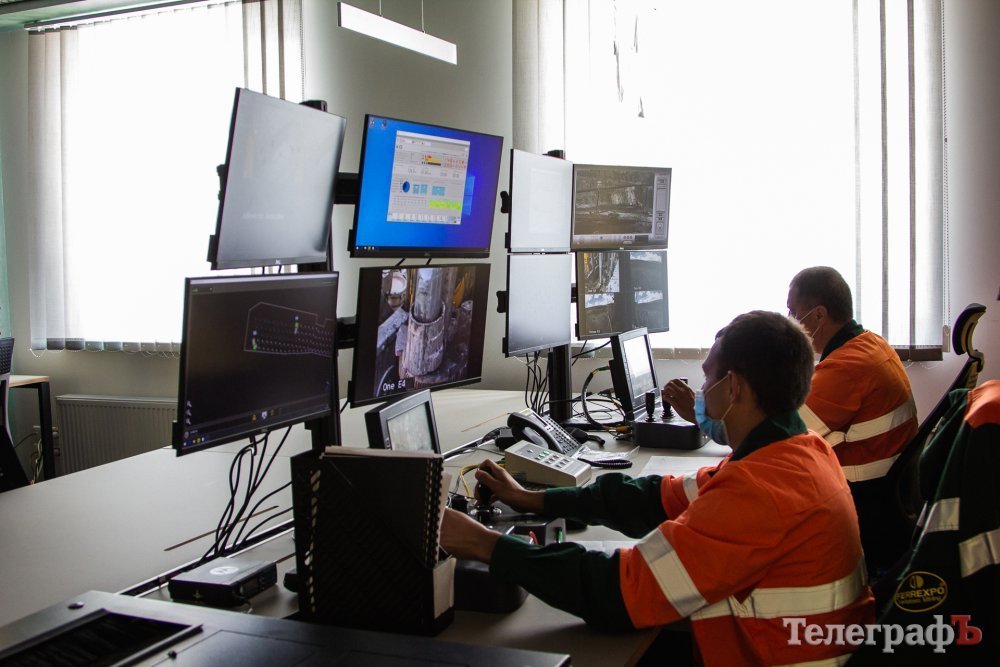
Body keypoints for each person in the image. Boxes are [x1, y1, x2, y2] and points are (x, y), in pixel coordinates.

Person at [441, 311, 874, 666]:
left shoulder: (762, 490)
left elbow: (617, 592)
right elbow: (654, 498)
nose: (702, 390)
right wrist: (536, 499)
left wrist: (486, 545)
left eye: (707, 377)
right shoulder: (796, 450)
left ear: (733, 387)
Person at [662, 267, 918, 576]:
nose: (790, 320)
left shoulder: (848, 368)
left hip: (867, 512)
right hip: (883, 504)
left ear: (819, 315)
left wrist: (703, 415)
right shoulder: (870, 345)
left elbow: (768, 436)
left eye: (794, 312)